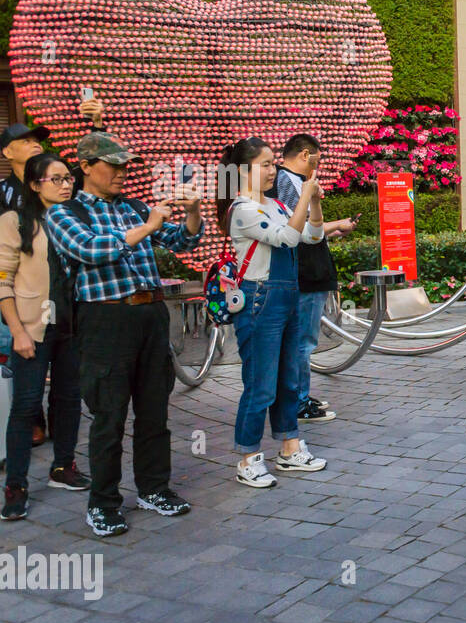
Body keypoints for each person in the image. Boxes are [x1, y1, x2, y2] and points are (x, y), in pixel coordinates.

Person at [45, 132, 203, 537]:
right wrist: (148, 225)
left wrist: (193, 211)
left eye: (124, 165)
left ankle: (154, 488)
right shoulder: (65, 213)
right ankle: (103, 502)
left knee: (154, 410)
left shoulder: (133, 207)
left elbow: (183, 241)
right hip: (104, 321)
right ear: (86, 166)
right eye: (112, 165)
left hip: (150, 314)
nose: (121, 172)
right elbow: (93, 251)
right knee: (109, 416)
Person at [220, 138, 328, 488]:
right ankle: (248, 457)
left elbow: (312, 235)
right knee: (260, 384)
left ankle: (290, 447)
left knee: (287, 381)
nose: (272, 171)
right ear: (241, 171)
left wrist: (313, 203)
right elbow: (287, 239)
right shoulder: (242, 210)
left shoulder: (278, 203)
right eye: (265, 165)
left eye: (272, 164)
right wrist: (306, 195)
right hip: (259, 299)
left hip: (287, 297)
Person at [0, 154, 89, 520]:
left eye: (68, 178)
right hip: (32, 330)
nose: (66, 184)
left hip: (73, 327)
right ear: (35, 184)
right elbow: (2, 281)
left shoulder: (75, 220)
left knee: (68, 400)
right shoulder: (15, 221)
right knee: (25, 406)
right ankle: (16, 485)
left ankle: (62, 467)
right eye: (56, 179)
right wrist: (18, 331)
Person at [277, 134, 356, 425]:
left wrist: (329, 227)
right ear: (305, 154)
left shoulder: (294, 182)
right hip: (305, 274)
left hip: (309, 272)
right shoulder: (288, 182)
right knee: (302, 342)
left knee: (302, 341)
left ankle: (298, 397)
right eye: (317, 159)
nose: (317, 166)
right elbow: (297, 229)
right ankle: (297, 401)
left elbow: (311, 230)